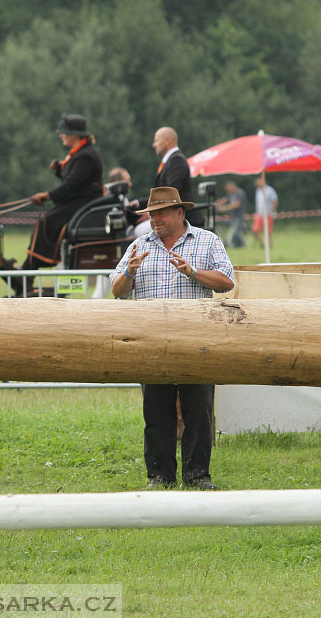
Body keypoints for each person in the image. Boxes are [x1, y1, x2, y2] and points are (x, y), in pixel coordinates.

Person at [110, 187, 234, 490]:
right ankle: (160, 476)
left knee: (199, 410)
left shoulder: (207, 241)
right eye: (152, 215)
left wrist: (192, 273)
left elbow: (226, 280)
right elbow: (116, 289)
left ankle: (197, 475)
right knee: (156, 411)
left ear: (181, 212)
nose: (155, 220)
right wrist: (129, 271)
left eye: (161, 213)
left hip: (196, 339)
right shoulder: (139, 245)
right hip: (152, 341)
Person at [0, 113, 103, 295]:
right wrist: (59, 170)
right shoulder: (78, 154)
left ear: (76, 135)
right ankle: (28, 271)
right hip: (78, 200)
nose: (61, 135)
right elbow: (72, 180)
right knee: (46, 220)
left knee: (47, 221)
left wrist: (47, 196)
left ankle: (28, 272)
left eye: (64, 132)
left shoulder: (86, 156)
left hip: (85, 203)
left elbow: (71, 186)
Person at [152, 126, 204, 227]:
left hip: (181, 218)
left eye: (157, 140)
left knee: (138, 232)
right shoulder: (171, 161)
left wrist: (149, 210)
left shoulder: (177, 160)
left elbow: (171, 192)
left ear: (168, 141)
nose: (154, 145)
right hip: (169, 215)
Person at [215, 181, 247, 248]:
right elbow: (225, 199)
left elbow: (237, 204)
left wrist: (225, 208)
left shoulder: (240, 193)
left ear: (232, 186)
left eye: (228, 189)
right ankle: (240, 244)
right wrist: (216, 203)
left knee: (235, 231)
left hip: (239, 216)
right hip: (234, 216)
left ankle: (232, 243)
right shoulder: (231, 194)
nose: (228, 190)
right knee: (237, 231)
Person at [252, 175, 279, 247]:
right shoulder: (258, 191)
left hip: (268, 213)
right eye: (257, 182)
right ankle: (261, 244)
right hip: (259, 214)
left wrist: (271, 211)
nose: (258, 184)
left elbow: (275, 201)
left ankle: (270, 245)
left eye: (259, 182)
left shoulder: (270, 190)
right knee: (255, 230)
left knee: (268, 231)